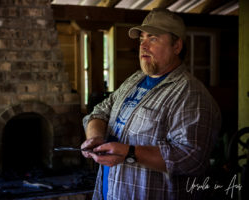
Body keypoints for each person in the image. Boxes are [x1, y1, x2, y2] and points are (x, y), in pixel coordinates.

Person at [81, 8, 221, 200]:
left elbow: (191, 158)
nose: (143, 46)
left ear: (177, 46)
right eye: (141, 39)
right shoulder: (135, 80)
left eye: (153, 38)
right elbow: (101, 111)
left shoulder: (190, 93)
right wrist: (94, 137)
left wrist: (129, 152)